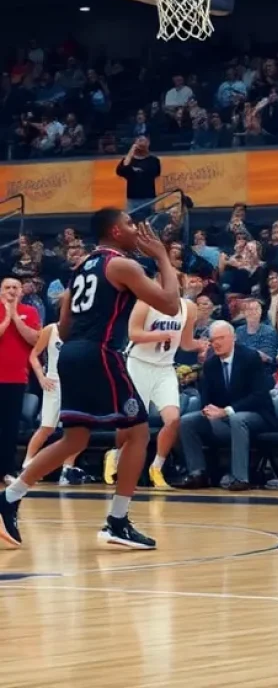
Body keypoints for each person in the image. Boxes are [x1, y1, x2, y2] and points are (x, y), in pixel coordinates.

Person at [0, 209, 180, 550]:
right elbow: (171, 304)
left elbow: (64, 328)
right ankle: (117, 521)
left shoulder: (81, 268)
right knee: (140, 432)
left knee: (74, 439)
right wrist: (161, 257)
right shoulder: (122, 265)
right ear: (115, 230)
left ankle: (8, 498)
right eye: (129, 224)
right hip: (100, 353)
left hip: (70, 354)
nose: (135, 229)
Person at [109, 284, 199, 489]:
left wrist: (200, 345)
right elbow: (133, 334)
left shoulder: (188, 308)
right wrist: (159, 336)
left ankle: (156, 467)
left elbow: (185, 343)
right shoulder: (145, 303)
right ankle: (115, 456)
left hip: (165, 367)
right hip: (138, 364)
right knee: (130, 420)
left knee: (173, 419)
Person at [176, 321, 275, 490]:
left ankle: (240, 478)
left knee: (237, 419)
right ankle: (198, 473)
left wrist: (226, 411)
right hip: (222, 418)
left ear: (233, 338)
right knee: (187, 421)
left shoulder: (250, 357)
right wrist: (209, 410)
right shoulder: (210, 364)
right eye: (213, 340)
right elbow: (206, 398)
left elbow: (259, 396)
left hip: (256, 415)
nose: (217, 343)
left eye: (221, 338)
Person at [23, 322, 84, 486]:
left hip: (76, 383)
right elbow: (33, 355)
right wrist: (41, 377)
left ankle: (67, 469)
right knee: (47, 427)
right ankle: (27, 464)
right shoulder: (51, 329)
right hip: (54, 381)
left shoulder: (83, 329)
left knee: (79, 430)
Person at [0, 276, 40, 484]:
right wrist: (6, 317)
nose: (12, 291)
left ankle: (6, 470)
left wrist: (15, 316)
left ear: (22, 291)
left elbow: (35, 339)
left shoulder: (30, 312)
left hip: (16, 378)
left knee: (10, 427)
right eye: (7, 287)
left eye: (16, 287)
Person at [116, 136, 161, 214]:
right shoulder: (129, 160)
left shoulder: (154, 160)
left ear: (148, 144)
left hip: (148, 197)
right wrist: (131, 152)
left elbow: (155, 173)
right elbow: (121, 171)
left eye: (144, 141)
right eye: (139, 141)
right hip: (133, 198)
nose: (142, 143)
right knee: (132, 221)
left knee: (148, 221)